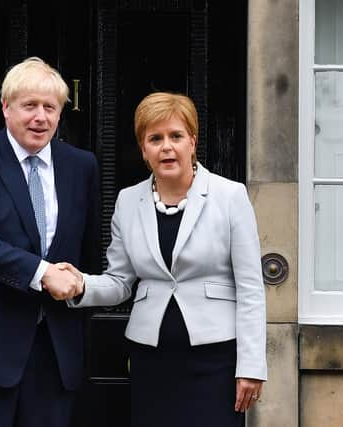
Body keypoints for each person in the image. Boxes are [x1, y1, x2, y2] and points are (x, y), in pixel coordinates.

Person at [60, 92, 267, 427]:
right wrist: (79, 285)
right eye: (155, 139)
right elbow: (120, 282)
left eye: (176, 136)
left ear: (192, 142)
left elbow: (250, 288)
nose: (166, 147)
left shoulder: (230, 196)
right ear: (144, 149)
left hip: (216, 360)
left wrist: (251, 367)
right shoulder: (128, 201)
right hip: (151, 359)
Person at [0, 56, 99, 427]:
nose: (40, 117)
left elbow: (87, 251)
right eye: (29, 106)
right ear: (6, 107)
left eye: (50, 107)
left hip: (55, 356)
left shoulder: (81, 166)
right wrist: (42, 274)